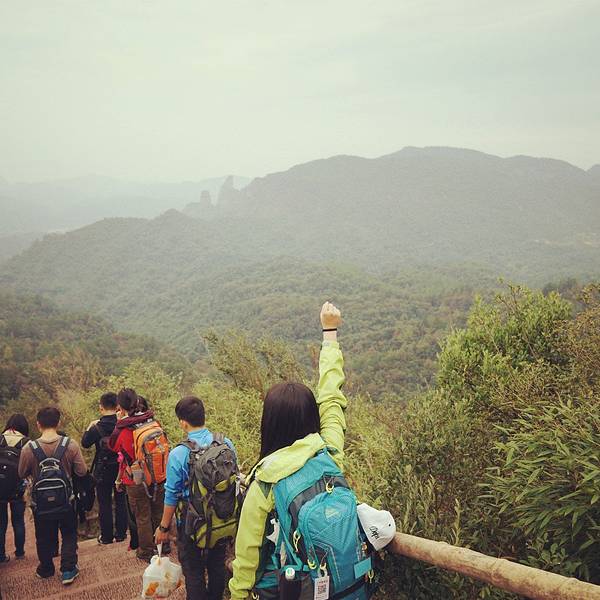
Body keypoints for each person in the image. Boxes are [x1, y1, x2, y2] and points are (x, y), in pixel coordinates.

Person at [229, 302, 347, 599]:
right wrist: (330, 332)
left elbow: (247, 557)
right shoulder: (329, 454)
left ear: (269, 423)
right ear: (312, 417)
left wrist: (238, 595)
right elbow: (332, 398)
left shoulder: (265, 484)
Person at [155, 396, 237, 600]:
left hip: (190, 523)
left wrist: (163, 528)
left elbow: (171, 494)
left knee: (193, 572)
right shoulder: (226, 443)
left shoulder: (179, 454)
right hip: (221, 519)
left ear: (183, 423)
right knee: (217, 565)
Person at [18, 406, 87, 585]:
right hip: (66, 500)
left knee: (43, 536)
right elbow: (82, 471)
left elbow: (21, 473)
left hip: (40, 503)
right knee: (69, 533)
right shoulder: (70, 445)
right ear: (58, 423)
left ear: (38, 424)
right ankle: (68, 569)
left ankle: (46, 569)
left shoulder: (28, 448)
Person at [108, 389, 168, 563]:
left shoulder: (122, 429)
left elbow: (113, 446)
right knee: (158, 511)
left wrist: (119, 422)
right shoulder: (152, 422)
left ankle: (146, 551)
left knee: (142, 516)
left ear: (120, 407)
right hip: (157, 474)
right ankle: (164, 545)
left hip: (136, 479)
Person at [81, 392, 128, 545]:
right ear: (118, 406)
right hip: (121, 467)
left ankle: (107, 536)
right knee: (121, 499)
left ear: (101, 407)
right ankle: (121, 534)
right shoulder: (122, 424)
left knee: (104, 502)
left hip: (103, 468)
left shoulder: (97, 428)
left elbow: (85, 443)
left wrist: (89, 426)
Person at [0, 414, 30, 563]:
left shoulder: (0, 439)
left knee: (1, 523)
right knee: (18, 521)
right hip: (18, 487)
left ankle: (1, 555)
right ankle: (20, 552)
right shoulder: (27, 443)